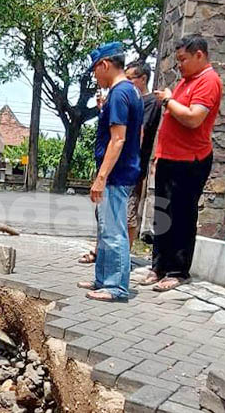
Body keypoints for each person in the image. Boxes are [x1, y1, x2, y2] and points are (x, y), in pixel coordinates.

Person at [138, 34, 223, 292]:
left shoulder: (208, 81)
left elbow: (193, 118)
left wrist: (168, 100)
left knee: (182, 215)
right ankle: (159, 266)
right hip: (169, 158)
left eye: (183, 59)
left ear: (200, 55)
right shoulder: (186, 81)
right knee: (162, 214)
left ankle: (177, 270)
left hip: (190, 160)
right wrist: (159, 155)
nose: (179, 65)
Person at [76, 42, 144, 302]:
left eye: (95, 70)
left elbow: (118, 139)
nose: (95, 77)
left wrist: (101, 177)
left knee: (114, 230)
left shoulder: (119, 94)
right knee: (106, 228)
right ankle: (103, 279)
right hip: (122, 171)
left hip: (116, 175)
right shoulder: (131, 91)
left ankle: (116, 286)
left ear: (104, 65)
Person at [125, 61, 163, 248]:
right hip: (120, 165)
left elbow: (140, 132)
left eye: (130, 79)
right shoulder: (131, 101)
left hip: (134, 166)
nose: (127, 83)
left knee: (128, 212)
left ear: (143, 79)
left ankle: (124, 254)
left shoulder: (151, 102)